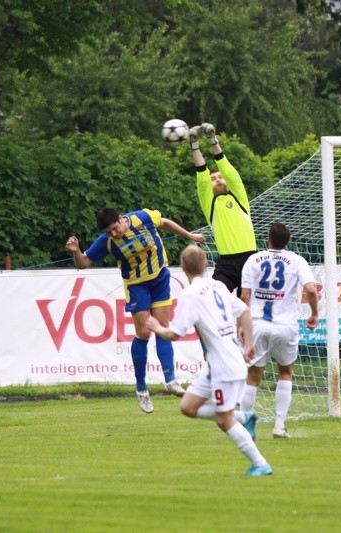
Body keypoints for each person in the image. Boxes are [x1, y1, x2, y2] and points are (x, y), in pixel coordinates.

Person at [146, 245, 273, 477]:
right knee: (188, 407)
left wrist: (156, 326)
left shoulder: (189, 294)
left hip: (225, 366)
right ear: (206, 266)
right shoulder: (218, 286)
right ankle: (245, 417)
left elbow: (175, 333)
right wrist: (249, 344)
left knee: (223, 420)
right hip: (220, 362)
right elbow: (245, 310)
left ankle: (261, 464)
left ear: (183, 268)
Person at [66, 207, 205, 414]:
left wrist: (189, 235)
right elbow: (84, 263)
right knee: (143, 332)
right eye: (109, 232)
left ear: (122, 219)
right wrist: (76, 251)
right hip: (136, 285)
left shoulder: (143, 218)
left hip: (159, 278)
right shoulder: (107, 241)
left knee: (163, 327)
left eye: (114, 228)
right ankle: (141, 388)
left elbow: (165, 222)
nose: (113, 234)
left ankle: (170, 380)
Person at [239, 222, 319, 439]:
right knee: (285, 373)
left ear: (268, 239)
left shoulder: (253, 260)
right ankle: (279, 426)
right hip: (286, 326)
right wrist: (314, 313)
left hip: (257, 325)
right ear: (288, 240)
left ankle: (246, 426)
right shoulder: (296, 260)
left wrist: (240, 325)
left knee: (253, 376)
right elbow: (311, 289)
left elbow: (244, 297)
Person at [189, 122, 257, 296]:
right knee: (215, 300)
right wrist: (195, 145)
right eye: (214, 178)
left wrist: (212, 140)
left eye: (220, 177)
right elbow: (202, 176)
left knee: (247, 304)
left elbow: (229, 172)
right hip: (226, 263)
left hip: (250, 259)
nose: (218, 180)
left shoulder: (239, 197)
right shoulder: (210, 203)